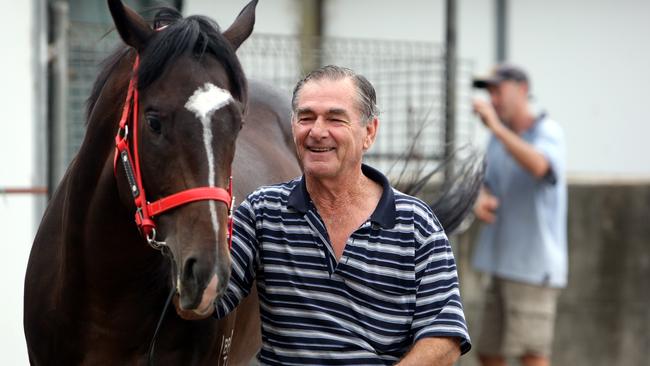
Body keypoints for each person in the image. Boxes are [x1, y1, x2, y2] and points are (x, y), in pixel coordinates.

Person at [202, 65, 472, 365]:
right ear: (294, 128)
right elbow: (208, 299)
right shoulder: (262, 212)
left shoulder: (417, 224)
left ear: (369, 132)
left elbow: (445, 338)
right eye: (306, 118)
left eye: (335, 119)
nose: (317, 131)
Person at [470, 64, 567, 366]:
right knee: (487, 349)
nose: (493, 99)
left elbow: (540, 166)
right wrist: (481, 199)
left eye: (498, 90)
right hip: (500, 262)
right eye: (489, 92)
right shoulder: (497, 138)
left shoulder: (547, 130)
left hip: (533, 266)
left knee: (531, 354)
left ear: (522, 89)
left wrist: (496, 128)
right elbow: (487, 184)